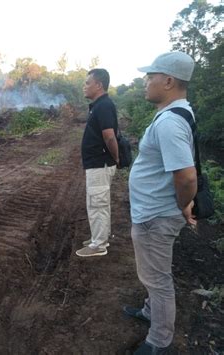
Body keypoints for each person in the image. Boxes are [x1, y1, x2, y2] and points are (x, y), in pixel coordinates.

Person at [123, 52, 197, 355]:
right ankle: (151, 312)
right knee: (153, 274)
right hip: (156, 211)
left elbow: (187, 177)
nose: (145, 81)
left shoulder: (169, 123)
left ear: (167, 81)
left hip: (157, 216)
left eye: (150, 76)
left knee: (157, 279)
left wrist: (183, 204)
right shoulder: (177, 113)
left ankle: (159, 341)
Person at [76, 68, 119, 257]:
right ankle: (99, 236)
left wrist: (116, 158)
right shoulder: (99, 105)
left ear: (98, 85)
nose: (84, 86)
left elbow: (109, 136)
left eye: (87, 83)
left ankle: (98, 245)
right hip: (98, 164)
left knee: (97, 203)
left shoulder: (103, 106)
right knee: (99, 202)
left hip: (100, 164)